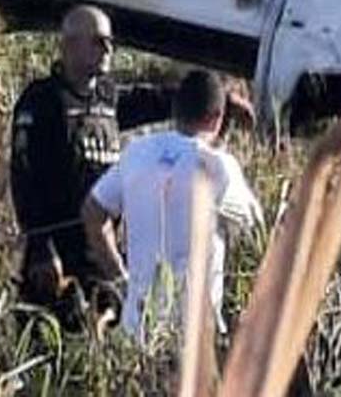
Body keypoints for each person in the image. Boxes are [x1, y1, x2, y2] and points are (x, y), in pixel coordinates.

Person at [10, 5, 253, 330]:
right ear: (68, 45)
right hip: (54, 259)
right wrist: (40, 247)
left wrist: (216, 100)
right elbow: (23, 176)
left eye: (110, 41)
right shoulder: (41, 100)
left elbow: (155, 100)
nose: (108, 48)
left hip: (99, 253)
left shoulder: (107, 97)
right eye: (98, 41)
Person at [81, 69, 263, 340]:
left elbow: (93, 212)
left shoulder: (137, 152)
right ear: (217, 119)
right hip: (193, 338)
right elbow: (258, 230)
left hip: (138, 329)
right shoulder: (218, 166)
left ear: (176, 111)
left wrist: (121, 278)